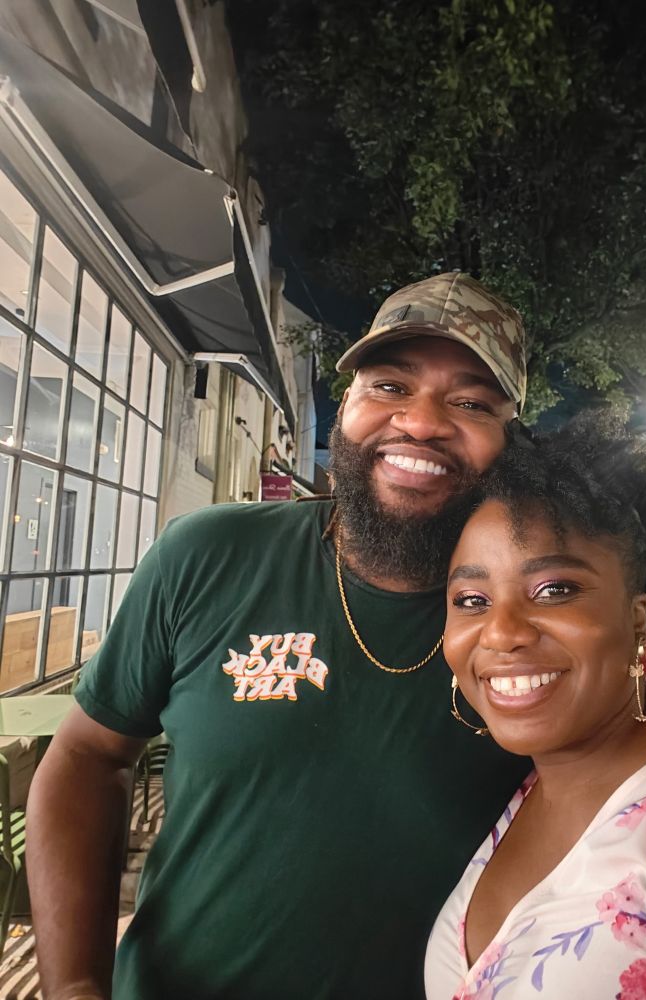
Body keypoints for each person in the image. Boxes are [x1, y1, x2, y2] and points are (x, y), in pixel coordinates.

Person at [27, 272, 533, 1000]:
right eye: (389, 385)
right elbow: (86, 754)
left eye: (470, 402)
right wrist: (75, 984)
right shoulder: (207, 554)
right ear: (346, 405)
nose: (421, 422)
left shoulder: (532, 619)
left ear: (510, 441)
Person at [424, 414, 646, 999]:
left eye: (553, 589)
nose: (500, 633)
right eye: (471, 599)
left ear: (635, 616)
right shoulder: (520, 794)